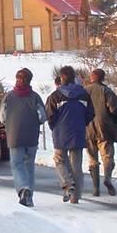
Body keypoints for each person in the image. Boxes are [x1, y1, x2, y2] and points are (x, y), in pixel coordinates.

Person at [46, 66, 95, 204]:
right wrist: (82, 123)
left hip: (60, 132)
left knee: (59, 159)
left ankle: (67, 184)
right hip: (78, 131)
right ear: (74, 78)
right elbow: (91, 113)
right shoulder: (84, 94)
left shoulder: (55, 96)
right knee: (76, 166)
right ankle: (76, 197)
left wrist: (54, 126)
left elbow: (49, 114)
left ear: (61, 78)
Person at [0, 68, 47, 207]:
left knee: (17, 165)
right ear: (30, 80)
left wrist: (10, 122)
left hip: (14, 136)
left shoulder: (9, 97)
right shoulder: (36, 97)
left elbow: (2, 117)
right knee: (29, 166)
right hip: (31, 136)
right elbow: (42, 116)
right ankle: (29, 196)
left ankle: (23, 189)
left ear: (16, 79)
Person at [85, 69, 117, 196]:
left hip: (88, 129)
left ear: (92, 77)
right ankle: (107, 178)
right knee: (107, 156)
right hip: (105, 129)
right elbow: (114, 109)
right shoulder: (106, 91)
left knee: (92, 159)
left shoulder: (84, 91)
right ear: (103, 78)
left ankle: (95, 188)